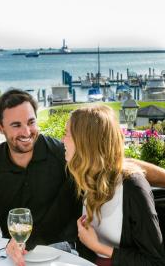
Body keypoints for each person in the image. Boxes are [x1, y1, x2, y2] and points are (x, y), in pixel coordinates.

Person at [0, 89, 165, 266]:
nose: (26, 132)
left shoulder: (63, 156)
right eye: (16, 125)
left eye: (31, 122)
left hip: (68, 253)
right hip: (21, 252)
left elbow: (118, 165)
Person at [63, 105, 165, 266]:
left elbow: (156, 261)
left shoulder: (133, 187)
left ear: (85, 142)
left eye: (66, 134)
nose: (62, 140)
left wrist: (99, 247)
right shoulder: (86, 179)